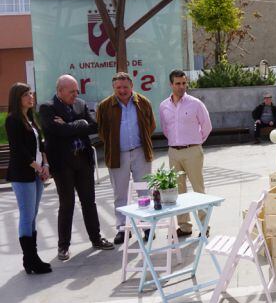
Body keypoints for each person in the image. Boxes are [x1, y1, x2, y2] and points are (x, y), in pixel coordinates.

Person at [39, 75, 114, 261]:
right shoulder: (47, 108)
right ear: (60, 91)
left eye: (76, 90)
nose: (76, 94)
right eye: (71, 91)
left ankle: (96, 239)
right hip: (63, 164)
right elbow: (56, 131)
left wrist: (72, 126)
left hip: (83, 160)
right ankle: (63, 247)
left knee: (89, 202)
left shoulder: (80, 104)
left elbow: (94, 126)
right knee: (67, 204)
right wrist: (79, 125)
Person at [96, 72, 156, 245]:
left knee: (144, 191)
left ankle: (146, 226)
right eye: (118, 88)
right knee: (120, 194)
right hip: (117, 154)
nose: (122, 90)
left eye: (125, 87)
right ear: (113, 88)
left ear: (132, 87)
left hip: (140, 152)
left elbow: (150, 125)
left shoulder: (143, 102)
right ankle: (123, 229)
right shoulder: (105, 106)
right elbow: (102, 131)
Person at [159, 70, 212, 237]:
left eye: (184, 83)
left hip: (193, 151)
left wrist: (195, 143)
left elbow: (207, 127)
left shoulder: (195, 104)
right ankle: (184, 226)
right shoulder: (163, 106)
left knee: (198, 189)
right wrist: (177, 143)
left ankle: (204, 226)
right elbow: (166, 129)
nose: (182, 86)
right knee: (177, 190)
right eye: (178, 83)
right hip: (173, 152)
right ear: (171, 84)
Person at [6, 83, 52, 274]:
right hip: (22, 174)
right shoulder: (13, 120)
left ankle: (31, 259)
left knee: (32, 215)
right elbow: (19, 150)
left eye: (31, 93)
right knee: (27, 216)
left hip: (37, 173)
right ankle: (31, 258)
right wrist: (38, 167)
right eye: (26, 94)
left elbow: (41, 146)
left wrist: (46, 165)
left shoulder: (31, 119)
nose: (31, 97)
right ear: (18, 98)